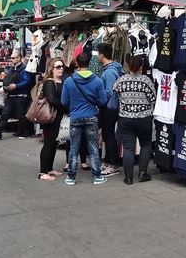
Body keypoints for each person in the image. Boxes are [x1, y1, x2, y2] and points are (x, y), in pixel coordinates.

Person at [60, 52, 107, 185]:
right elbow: (103, 101)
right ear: (90, 63)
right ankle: (97, 176)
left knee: (74, 147)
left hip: (75, 117)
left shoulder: (69, 81)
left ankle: (71, 177)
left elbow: (63, 101)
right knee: (92, 147)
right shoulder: (97, 80)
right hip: (91, 116)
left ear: (77, 64)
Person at [114, 55, 156, 185]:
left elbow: (116, 94)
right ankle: (143, 173)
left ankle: (128, 177)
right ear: (141, 67)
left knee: (128, 148)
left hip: (125, 119)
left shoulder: (121, 80)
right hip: (144, 118)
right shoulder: (146, 81)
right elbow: (153, 99)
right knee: (146, 145)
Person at [0, 52, 33, 140]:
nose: (12, 60)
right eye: (11, 58)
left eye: (14, 58)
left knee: (21, 115)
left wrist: (16, 86)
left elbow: (27, 81)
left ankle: (26, 132)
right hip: (11, 95)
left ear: (19, 58)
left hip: (20, 96)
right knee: (5, 114)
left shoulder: (24, 69)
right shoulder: (12, 68)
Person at [38, 58, 67, 181]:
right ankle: (42, 172)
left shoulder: (62, 81)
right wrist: (65, 106)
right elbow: (51, 100)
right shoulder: (49, 82)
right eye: (58, 67)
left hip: (59, 116)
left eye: (62, 67)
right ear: (52, 69)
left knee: (54, 143)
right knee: (48, 144)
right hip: (51, 117)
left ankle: (49, 168)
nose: (61, 69)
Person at [98, 43, 123, 176]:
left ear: (102, 55)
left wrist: (99, 100)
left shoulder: (109, 72)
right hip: (113, 107)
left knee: (109, 135)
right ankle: (109, 161)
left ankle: (112, 164)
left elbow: (108, 92)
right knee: (108, 135)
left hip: (109, 108)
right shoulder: (115, 68)